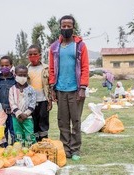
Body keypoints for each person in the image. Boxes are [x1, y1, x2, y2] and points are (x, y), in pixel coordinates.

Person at [48, 15, 89, 161]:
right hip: (60, 90)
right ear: (60, 27)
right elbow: (52, 69)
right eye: (63, 26)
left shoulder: (80, 46)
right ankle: (66, 149)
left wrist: (83, 87)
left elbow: (84, 67)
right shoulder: (54, 47)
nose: (66, 28)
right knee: (62, 120)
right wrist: (52, 88)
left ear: (73, 27)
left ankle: (75, 149)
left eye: (69, 26)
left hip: (76, 90)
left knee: (76, 120)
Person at [27, 44, 52, 142]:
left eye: (35, 54)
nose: (33, 56)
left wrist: (50, 100)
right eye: (30, 54)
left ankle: (44, 142)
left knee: (43, 122)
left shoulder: (46, 68)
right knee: (33, 122)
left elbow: (49, 85)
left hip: (43, 100)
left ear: (40, 55)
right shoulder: (26, 69)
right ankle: (35, 143)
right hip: (31, 102)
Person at [9, 65, 37, 146]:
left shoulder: (31, 89)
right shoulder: (12, 89)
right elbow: (12, 103)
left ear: (27, 75)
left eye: (24, 75)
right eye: (20, 75)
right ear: (15, 75)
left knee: (29, 134)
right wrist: (19, 114)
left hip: (28, 117)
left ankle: (31, 151)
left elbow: (33, 103)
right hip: (16, 117)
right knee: (18, 134)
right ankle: (20, 152)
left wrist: (25, 114)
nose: (22, 77)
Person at [0, 55, 16, 147]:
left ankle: (15, 147)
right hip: (1, 112)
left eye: (7, 65)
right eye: (2, 66)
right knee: (2, 130)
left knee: (13, 130)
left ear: (11, 66)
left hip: (12, 111)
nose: (4, 67)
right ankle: (4, 148)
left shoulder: (15, 80)